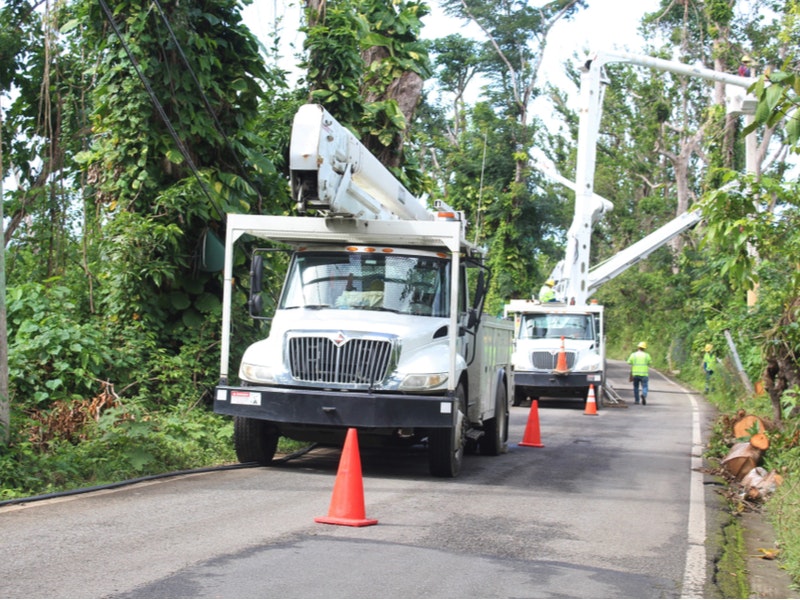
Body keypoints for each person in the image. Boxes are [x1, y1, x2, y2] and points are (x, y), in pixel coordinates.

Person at [627, 341, 652, 405]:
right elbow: (650, 362)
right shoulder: (647, 355)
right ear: (644, 348)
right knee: (645, 386)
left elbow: (629, 362)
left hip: (635, 374)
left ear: (638, 347)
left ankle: (637, 400)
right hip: (644, 374)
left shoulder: (634, 355)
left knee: (636, 387)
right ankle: (644, 394)